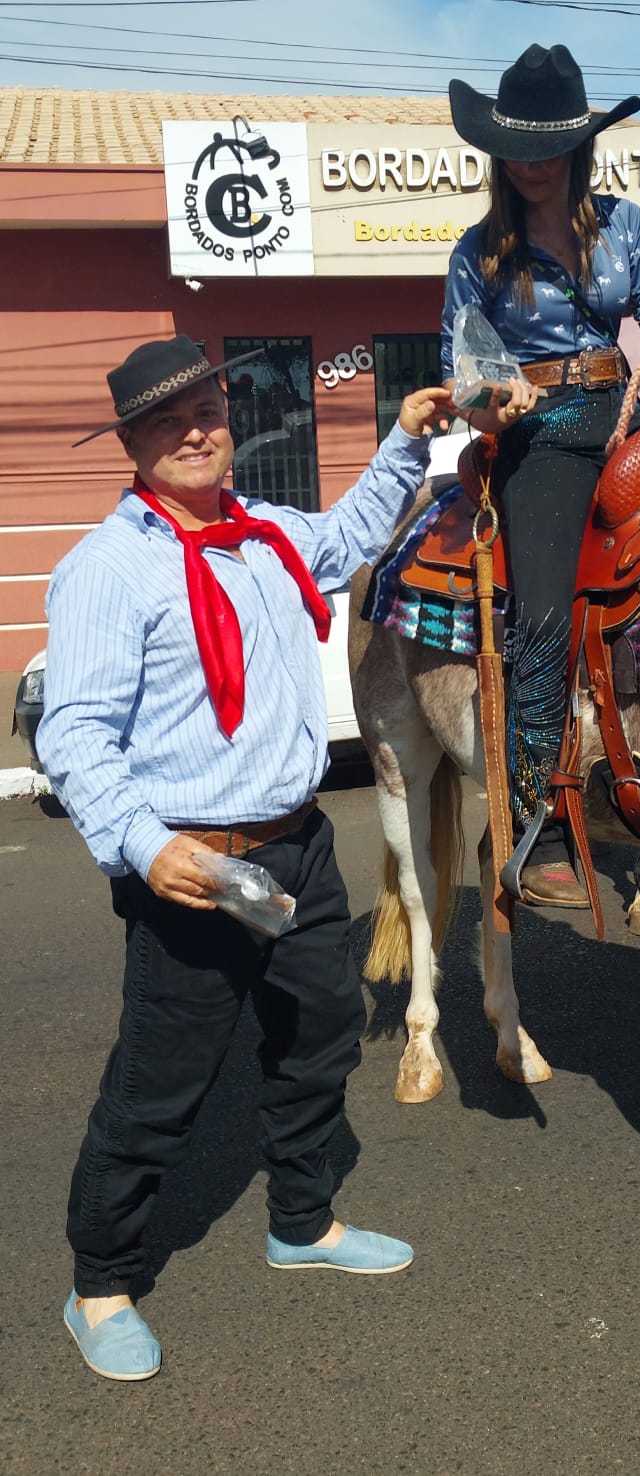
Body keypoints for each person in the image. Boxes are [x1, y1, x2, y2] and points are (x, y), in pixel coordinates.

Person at [39, 334, 453, 1382]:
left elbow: (350, 533)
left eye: (207, 412)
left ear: (231, 420)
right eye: (166, 422)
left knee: (319, 1038)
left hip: (299, 848)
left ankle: (301, 1224)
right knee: (160, 1085)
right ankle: (100, 1285)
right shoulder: (107, 570)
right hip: (193, 870)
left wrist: (405, 440)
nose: (194, 434)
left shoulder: (268, 533)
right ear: (132, 444)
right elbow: (74, 734)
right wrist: (144, 846)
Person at [443, 43, 640, 906]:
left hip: (627, 414)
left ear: (578, 147)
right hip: (540, 439)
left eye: (548, 148)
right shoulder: (478, 253)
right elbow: (464, 372)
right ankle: (538, 823)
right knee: (546, 613)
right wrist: (493, 399)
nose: (532, 166)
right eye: (516, 150)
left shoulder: (624, 226)